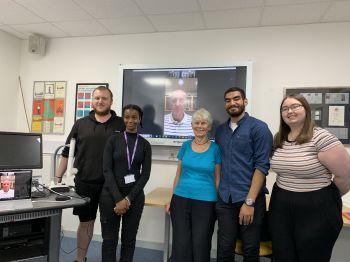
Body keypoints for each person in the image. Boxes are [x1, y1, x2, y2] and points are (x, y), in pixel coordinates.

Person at [269, 94, 350, 262]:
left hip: (316, 208)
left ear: (306, 109)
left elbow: (346, 176)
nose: (290, 111)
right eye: (285, 109)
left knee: (312, 255)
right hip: (281, 205)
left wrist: (325, 198)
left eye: (295, 106)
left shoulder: (321, 137)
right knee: (283, 254)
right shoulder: (279, 138)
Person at [56, 86, 125, 262]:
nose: (100, 101)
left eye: (104, 98)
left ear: (111, 101)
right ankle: (80, 259)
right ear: (92, 101)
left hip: (111, 186)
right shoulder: (80, 124)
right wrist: (57, 178)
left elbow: (129, 155)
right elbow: (66, 153)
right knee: (86, 223)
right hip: (85, 183)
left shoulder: (121, 124)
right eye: (97, 98)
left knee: (110, 225)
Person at [215, 87, 273, 262]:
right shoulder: (220, 131)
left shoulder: (259, 128)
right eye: (228, 100)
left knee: (250, 248)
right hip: (225, 199)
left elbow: (262, 167)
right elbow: (218, 162)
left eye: (236, 98)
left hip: (250, 198)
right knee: (224, 248)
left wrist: (249, 202)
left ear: (245, 102)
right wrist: (219, 188)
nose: (232, 103)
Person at [165, 108, 221, 262]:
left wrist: (218, 202)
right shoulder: (185, 146)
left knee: (200, 243)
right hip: (181, 199)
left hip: (207, 202)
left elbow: (218, 178)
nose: (200, 126)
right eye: (197, 123)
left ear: (209, 126)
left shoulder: (215, 149)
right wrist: (172, 198)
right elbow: (178, 174)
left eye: (204, 123)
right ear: (192, 125)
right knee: (181, 242)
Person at [99, 104, 152, 262]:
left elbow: (145, 174)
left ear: (139, 119)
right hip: (110, 196)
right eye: (127, 117)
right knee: (109, 240)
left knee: (129, 240)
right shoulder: (113, 140)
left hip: (134, 197)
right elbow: (107, 171)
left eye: (134, 117)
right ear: (123, 119)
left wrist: (128, 199)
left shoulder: (144, 145)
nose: (130, 120)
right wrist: (118, 198)